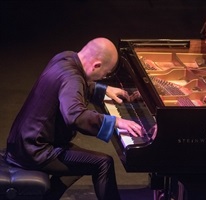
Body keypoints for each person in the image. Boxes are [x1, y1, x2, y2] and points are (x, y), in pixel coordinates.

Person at [5, 37, 143, 200]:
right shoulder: (73, 79)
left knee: (81, 162)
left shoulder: (65, 57)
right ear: (96, 65)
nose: (101, 77)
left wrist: (103, 89)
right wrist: (115, 122)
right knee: (103, 163)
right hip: (35, 150)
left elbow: (78, 82)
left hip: (22, 142)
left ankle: (48, 197)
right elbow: (75, 115)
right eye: (104, 74)